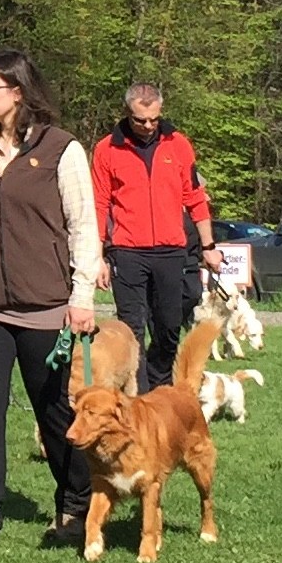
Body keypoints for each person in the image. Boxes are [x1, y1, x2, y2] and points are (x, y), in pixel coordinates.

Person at [0, 50, 97, 551]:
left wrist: (82, 296)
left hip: (46, 304)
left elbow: (83, 228)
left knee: (54, 410)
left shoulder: (62, 150)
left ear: (19, 92)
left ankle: (75, 505)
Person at [89, 82, 219, 389]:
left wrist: (209, 246)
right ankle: (141, 397)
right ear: (127, 114)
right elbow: (99, 204)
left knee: (168, 328)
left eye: (153, 120)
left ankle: (161, 389)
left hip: (171, 251)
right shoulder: (107, 149)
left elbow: (196, 197)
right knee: (131, 330)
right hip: (127, 252)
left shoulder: (179, 145)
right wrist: (98, 257)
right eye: (140, 120)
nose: (148, 126)